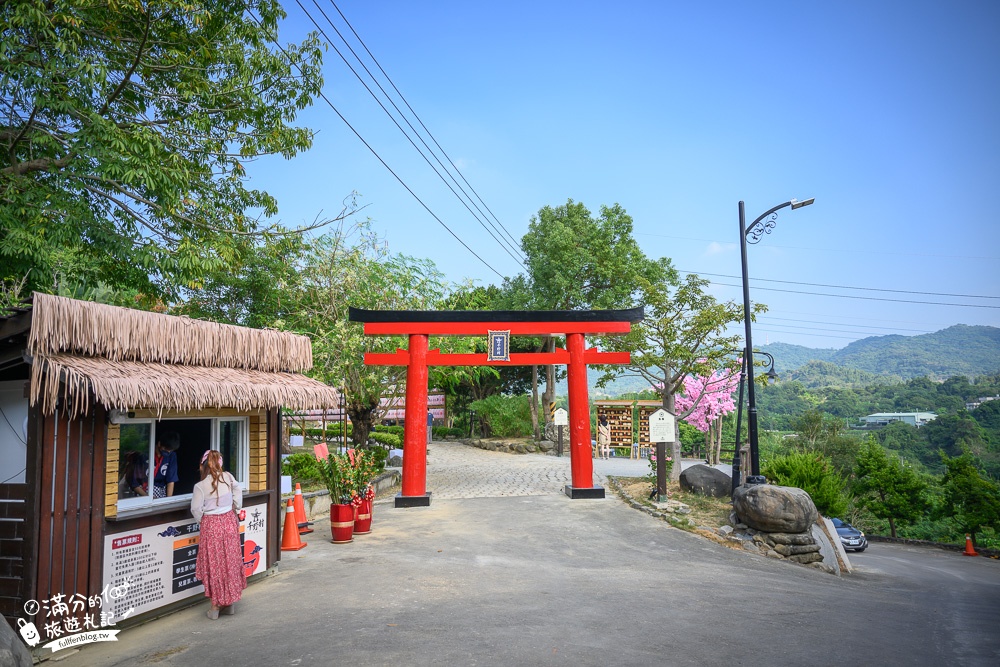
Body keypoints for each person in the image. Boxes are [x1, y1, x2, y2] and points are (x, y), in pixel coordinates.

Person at [191, 450, 246, 619]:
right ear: (220, 463)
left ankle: (215, 607)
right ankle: (229, 604)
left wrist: (205, 521)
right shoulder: (228, 477)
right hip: (229, 522)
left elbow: (195, 509)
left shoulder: (200, 486)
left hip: (211, 525)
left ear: (203, 465)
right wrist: (234, 507)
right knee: (229, 562)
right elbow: (238, 493)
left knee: (214, 565)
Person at [153, 431, 180, 498]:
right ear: (159, 444)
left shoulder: (172, 456)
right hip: (145, 490)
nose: (168, 452)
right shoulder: (147, 453)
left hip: (161, 489)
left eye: (170, 450)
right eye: (166, 449)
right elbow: (136, 483)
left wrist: (168, 500)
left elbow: (171, 480)